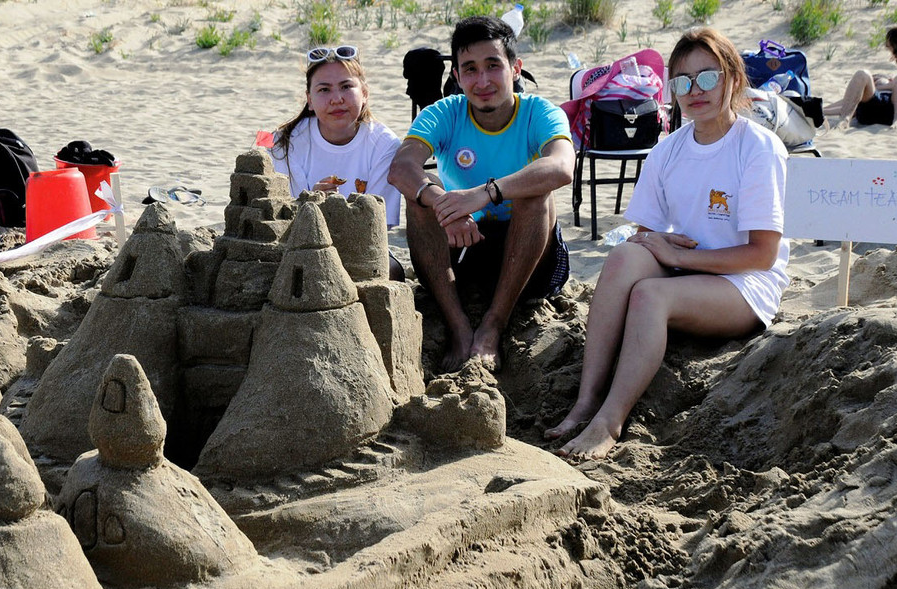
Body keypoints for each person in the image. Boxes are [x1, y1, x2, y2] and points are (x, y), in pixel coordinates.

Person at [545, 27, 790, 460]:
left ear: (732, 78)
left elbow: (762, 254)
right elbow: (645, 234)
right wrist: (657, 244)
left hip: (744, 284)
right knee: (623, 256)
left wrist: (675, 254)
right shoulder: (667, 150)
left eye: (708, 77)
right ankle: (585, 401)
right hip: (689, 269)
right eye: (681, 82)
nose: (695, 91)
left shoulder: (757, 147)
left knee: (649, 296)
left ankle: (609, 420)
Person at [388, 16, 575, 372]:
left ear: (515, 69)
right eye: (470, 69)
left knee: (535, 192)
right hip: (464, 249)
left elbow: (562, 167)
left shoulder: (539, 112)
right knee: (420, 198)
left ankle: (493, 324)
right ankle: (458, 326)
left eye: (493, 66)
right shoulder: (444, 112)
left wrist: (485, 193)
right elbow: (402, 168)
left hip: (532, 259)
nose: (483, 80)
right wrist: (441, 203)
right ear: (456, 77)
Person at [271, 44, 404, 233]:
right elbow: (280, 220)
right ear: (310, 100)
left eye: (346, 86)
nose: (337, 99)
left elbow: (378, 226)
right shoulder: (283, 142)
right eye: (324, 90)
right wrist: (311, 203)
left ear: (364, 94)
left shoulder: (385, 144)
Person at [823, 26, 897, 129]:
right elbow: (851, 102)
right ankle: (843, 118)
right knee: (862, 74)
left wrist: (888, 84)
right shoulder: (883, 89)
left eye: (893, 48)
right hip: (873, 110)